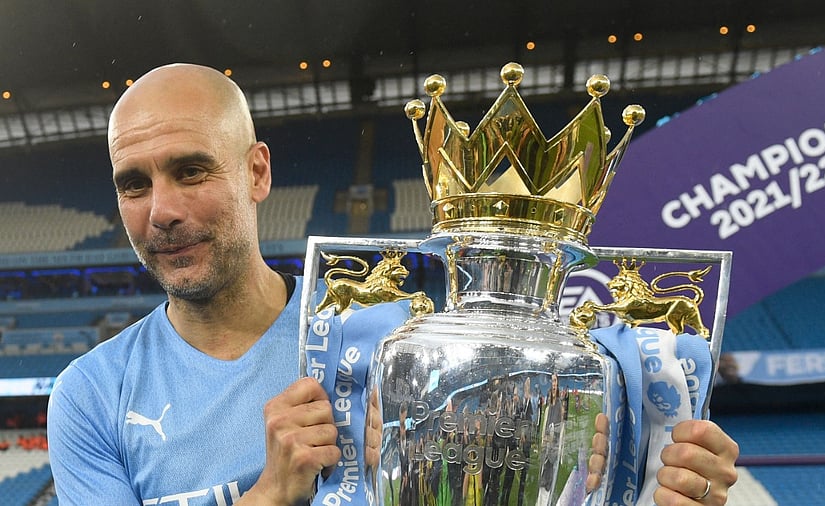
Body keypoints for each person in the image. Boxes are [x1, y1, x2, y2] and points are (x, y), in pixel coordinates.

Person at [46, 63, 739, 506]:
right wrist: (267, 495)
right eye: (133, 185)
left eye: (190, 170)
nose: (160, 210)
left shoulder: (407, 344)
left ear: (256, 172)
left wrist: (644, 481)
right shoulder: (92, 392)